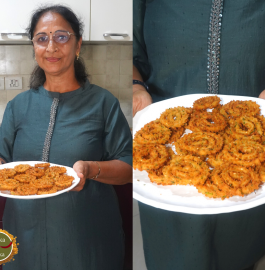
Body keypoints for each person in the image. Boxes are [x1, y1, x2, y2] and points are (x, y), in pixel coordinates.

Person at [133, 1, 265, 270]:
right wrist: (134, 85)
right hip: (166, 152)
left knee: (239, 251)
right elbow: (130, 51)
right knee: (173, 255)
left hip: (252, 150)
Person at [0, 5, 132, 270]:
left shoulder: (103, 103)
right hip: (23, 237)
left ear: (78, 44)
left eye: (61, 36)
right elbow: (3, 159)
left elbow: (129, 167)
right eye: (42, 38)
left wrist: (91, 169)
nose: (51, 47)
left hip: (85, 241)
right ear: (34, 47)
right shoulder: (18, 106)